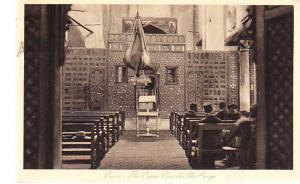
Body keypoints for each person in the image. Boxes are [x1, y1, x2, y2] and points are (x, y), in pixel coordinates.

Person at [224, 105, 257, 169]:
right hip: (255, 146)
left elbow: (234, 133)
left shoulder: (244, 122)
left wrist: (226, 141)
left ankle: (241, 162)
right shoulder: (260, 122)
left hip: (246, 145)